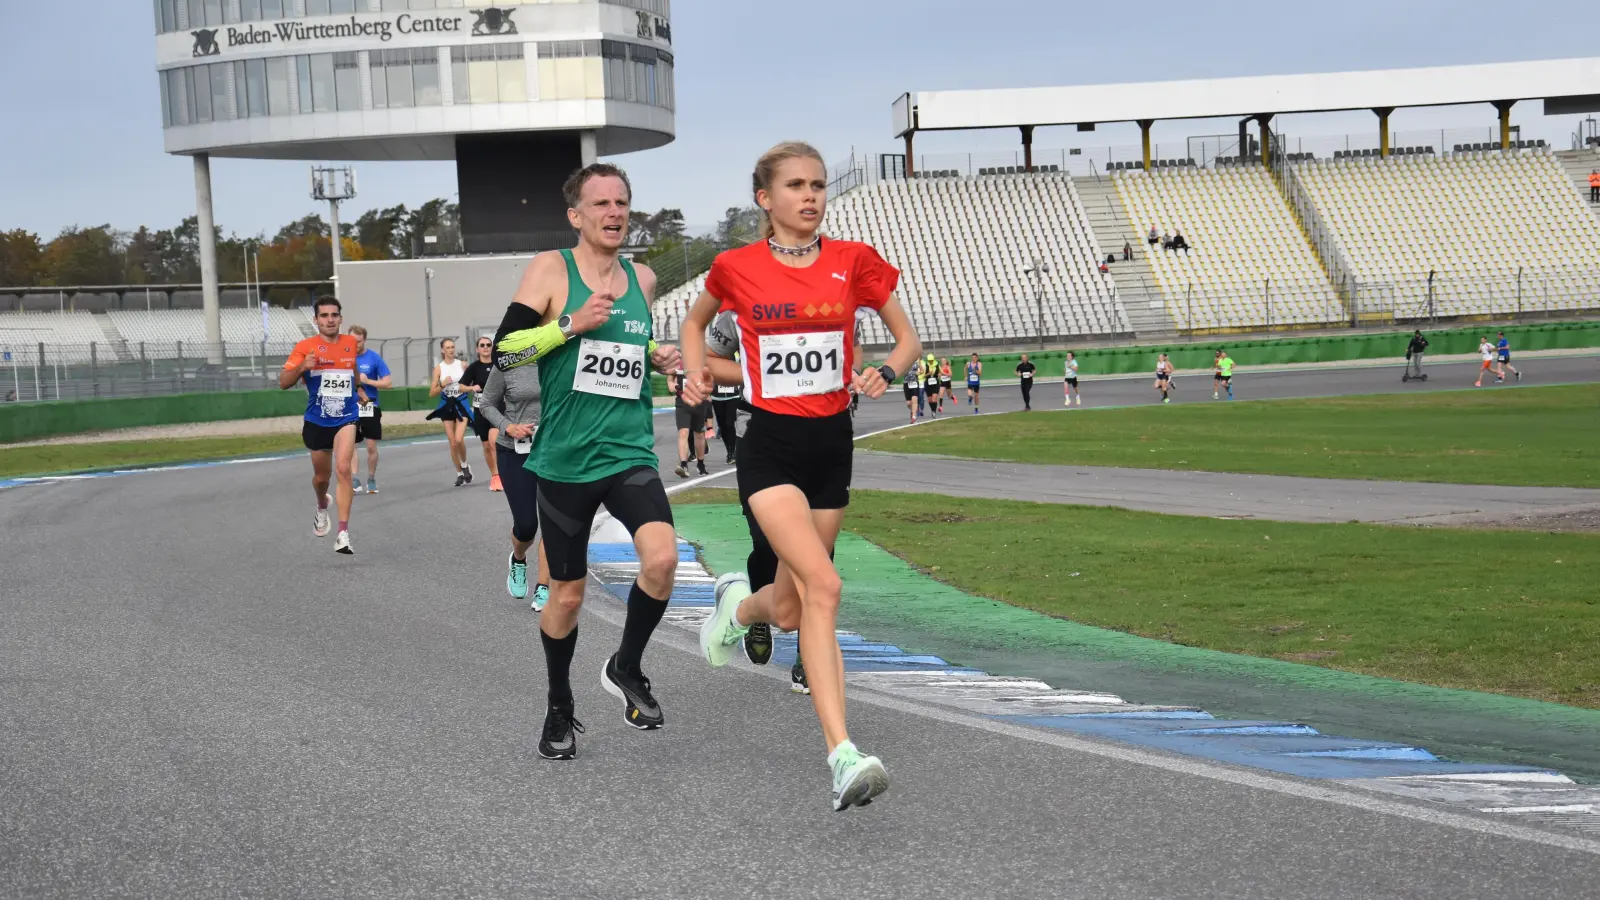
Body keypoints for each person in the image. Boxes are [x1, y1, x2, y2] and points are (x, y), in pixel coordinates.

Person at [679, 140, 921, 811]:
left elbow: (907, 339)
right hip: (770, 448)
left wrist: (888, 370)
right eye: (795, 186)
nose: (811, 196)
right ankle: (844, 754)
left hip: (831, 445)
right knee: (825, 584)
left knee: (785, 608)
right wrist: (697, 369)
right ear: (766, 198)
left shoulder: (854, 262)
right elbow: (694, 323)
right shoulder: (737, 266)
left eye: (817, 185)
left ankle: (736, 609)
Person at [493, 162, 682, 761]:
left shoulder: (643, 279)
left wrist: (658, 355)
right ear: (576, 215)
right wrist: (570, 324)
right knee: (566, 597)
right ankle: (559, 707)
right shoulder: (552, 269)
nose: (614, 213)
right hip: (565, 460)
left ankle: (626, 667)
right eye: (600, 203)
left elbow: (624, 344)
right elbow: (507, 350)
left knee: (663, 558)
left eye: (622, 202)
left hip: (627, 451)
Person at [278, 296, 364, 555]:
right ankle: (321, 505)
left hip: (346, 417)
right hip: (317, 420)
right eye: (324, 316)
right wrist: (303, 366)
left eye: (334, 315)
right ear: (316, 320)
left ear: (340, 318)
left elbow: (353, 369)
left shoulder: (350, 343)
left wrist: (358, 387)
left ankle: (343, 533)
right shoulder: (305, 346)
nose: (329, 320)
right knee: (321, 478)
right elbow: (283, 381)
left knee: (343, 469)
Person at [478, 342, 553, 612]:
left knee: (552, 522)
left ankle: (543, 587)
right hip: (514, 451)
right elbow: (486, 404)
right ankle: (518, 558)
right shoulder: (508, 362)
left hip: (552, 452)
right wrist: (507, 426)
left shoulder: (557, 357)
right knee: (526, 525)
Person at [426, 338, 474, 486]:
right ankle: (459, 473)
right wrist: (442, 384)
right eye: (448, 347)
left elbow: (471, 383)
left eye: (452, 347)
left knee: (459, 439)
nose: (451, 350)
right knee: (452, 442)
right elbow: (432, 392)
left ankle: (465, 465)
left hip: (461, 403)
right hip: (447, 404)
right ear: (442, 350)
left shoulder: (462, 365)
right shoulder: (438, 368)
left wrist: (468, 386)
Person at [349, 326, 391, 495]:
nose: (355, 345)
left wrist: (369, 381)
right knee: (350, 443)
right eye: (352, 341)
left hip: (369, 405)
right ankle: (354, 478)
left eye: (358, 341)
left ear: (364, 340)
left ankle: (371, 478)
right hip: (350, 405)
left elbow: (388, 383)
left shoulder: (373, 358)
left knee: (371, 446)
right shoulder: (345, 357)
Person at [459, 336, 503, 492]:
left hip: (497, 408)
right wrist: (472, 388)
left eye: (488, 345)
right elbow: (461, 387)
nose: (485, 347)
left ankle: (502, 474)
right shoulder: (474, 367)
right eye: (482, 345)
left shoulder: (499, 365)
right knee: (485, 445)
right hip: (480, 409)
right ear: (477, 349)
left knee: (493, 441)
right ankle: (495, 475)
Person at [671, 371, 710, 478]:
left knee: (699, 434)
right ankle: (683, 465)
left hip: (699, 402)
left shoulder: (701, 359)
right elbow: (669, 374)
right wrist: (670, 383)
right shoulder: (677, 358)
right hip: (682, 404)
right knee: (683, 432)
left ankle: (701, 464)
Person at [709, 363, 742, 464]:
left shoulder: (734, 357)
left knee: (729, 423)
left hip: (733, 396)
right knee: (722, 425)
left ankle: (732, 452)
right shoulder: (714, 359)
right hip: (717, 397)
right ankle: (729, 450)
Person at [922, 352, 942, 418]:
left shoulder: (937, 365)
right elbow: (923, 375)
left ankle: (934, 412)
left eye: (931, 360)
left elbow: (940, 372)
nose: (930, 362)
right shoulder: (926, 365)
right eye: (929, 361)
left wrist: (939, 375)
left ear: (933, 360)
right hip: (928, 383)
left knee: (934, 398)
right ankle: (932, 410)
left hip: (935, 383)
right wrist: (929, 373)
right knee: (930, 400)